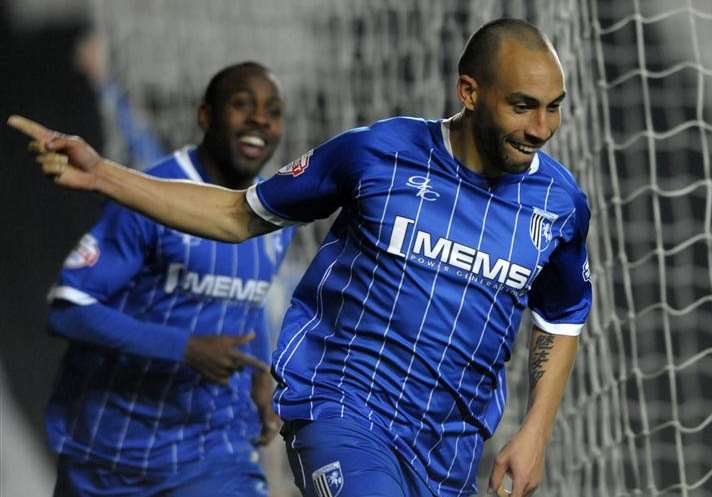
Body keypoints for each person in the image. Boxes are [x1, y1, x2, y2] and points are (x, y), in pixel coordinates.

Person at [11, 18, 592, 497]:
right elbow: (235, 214)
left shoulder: (560, 204)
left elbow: (562, 317)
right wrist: (106, 176)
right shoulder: (376, 155)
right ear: (469, 92)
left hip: (448, 446)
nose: (542, 128)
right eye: (523, 107)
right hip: (342, 410)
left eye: (553, 108)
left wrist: (535, 430)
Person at [36, 61, 294, 497]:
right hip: (112, 454)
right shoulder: (149, 196)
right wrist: (184, 348)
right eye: (241, 105)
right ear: (205, 116)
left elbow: (247, 304)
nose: (259, 120)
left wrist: (261, 379)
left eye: (272, 110)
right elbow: (67, 309)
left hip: (214, 451)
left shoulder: (275, 215)